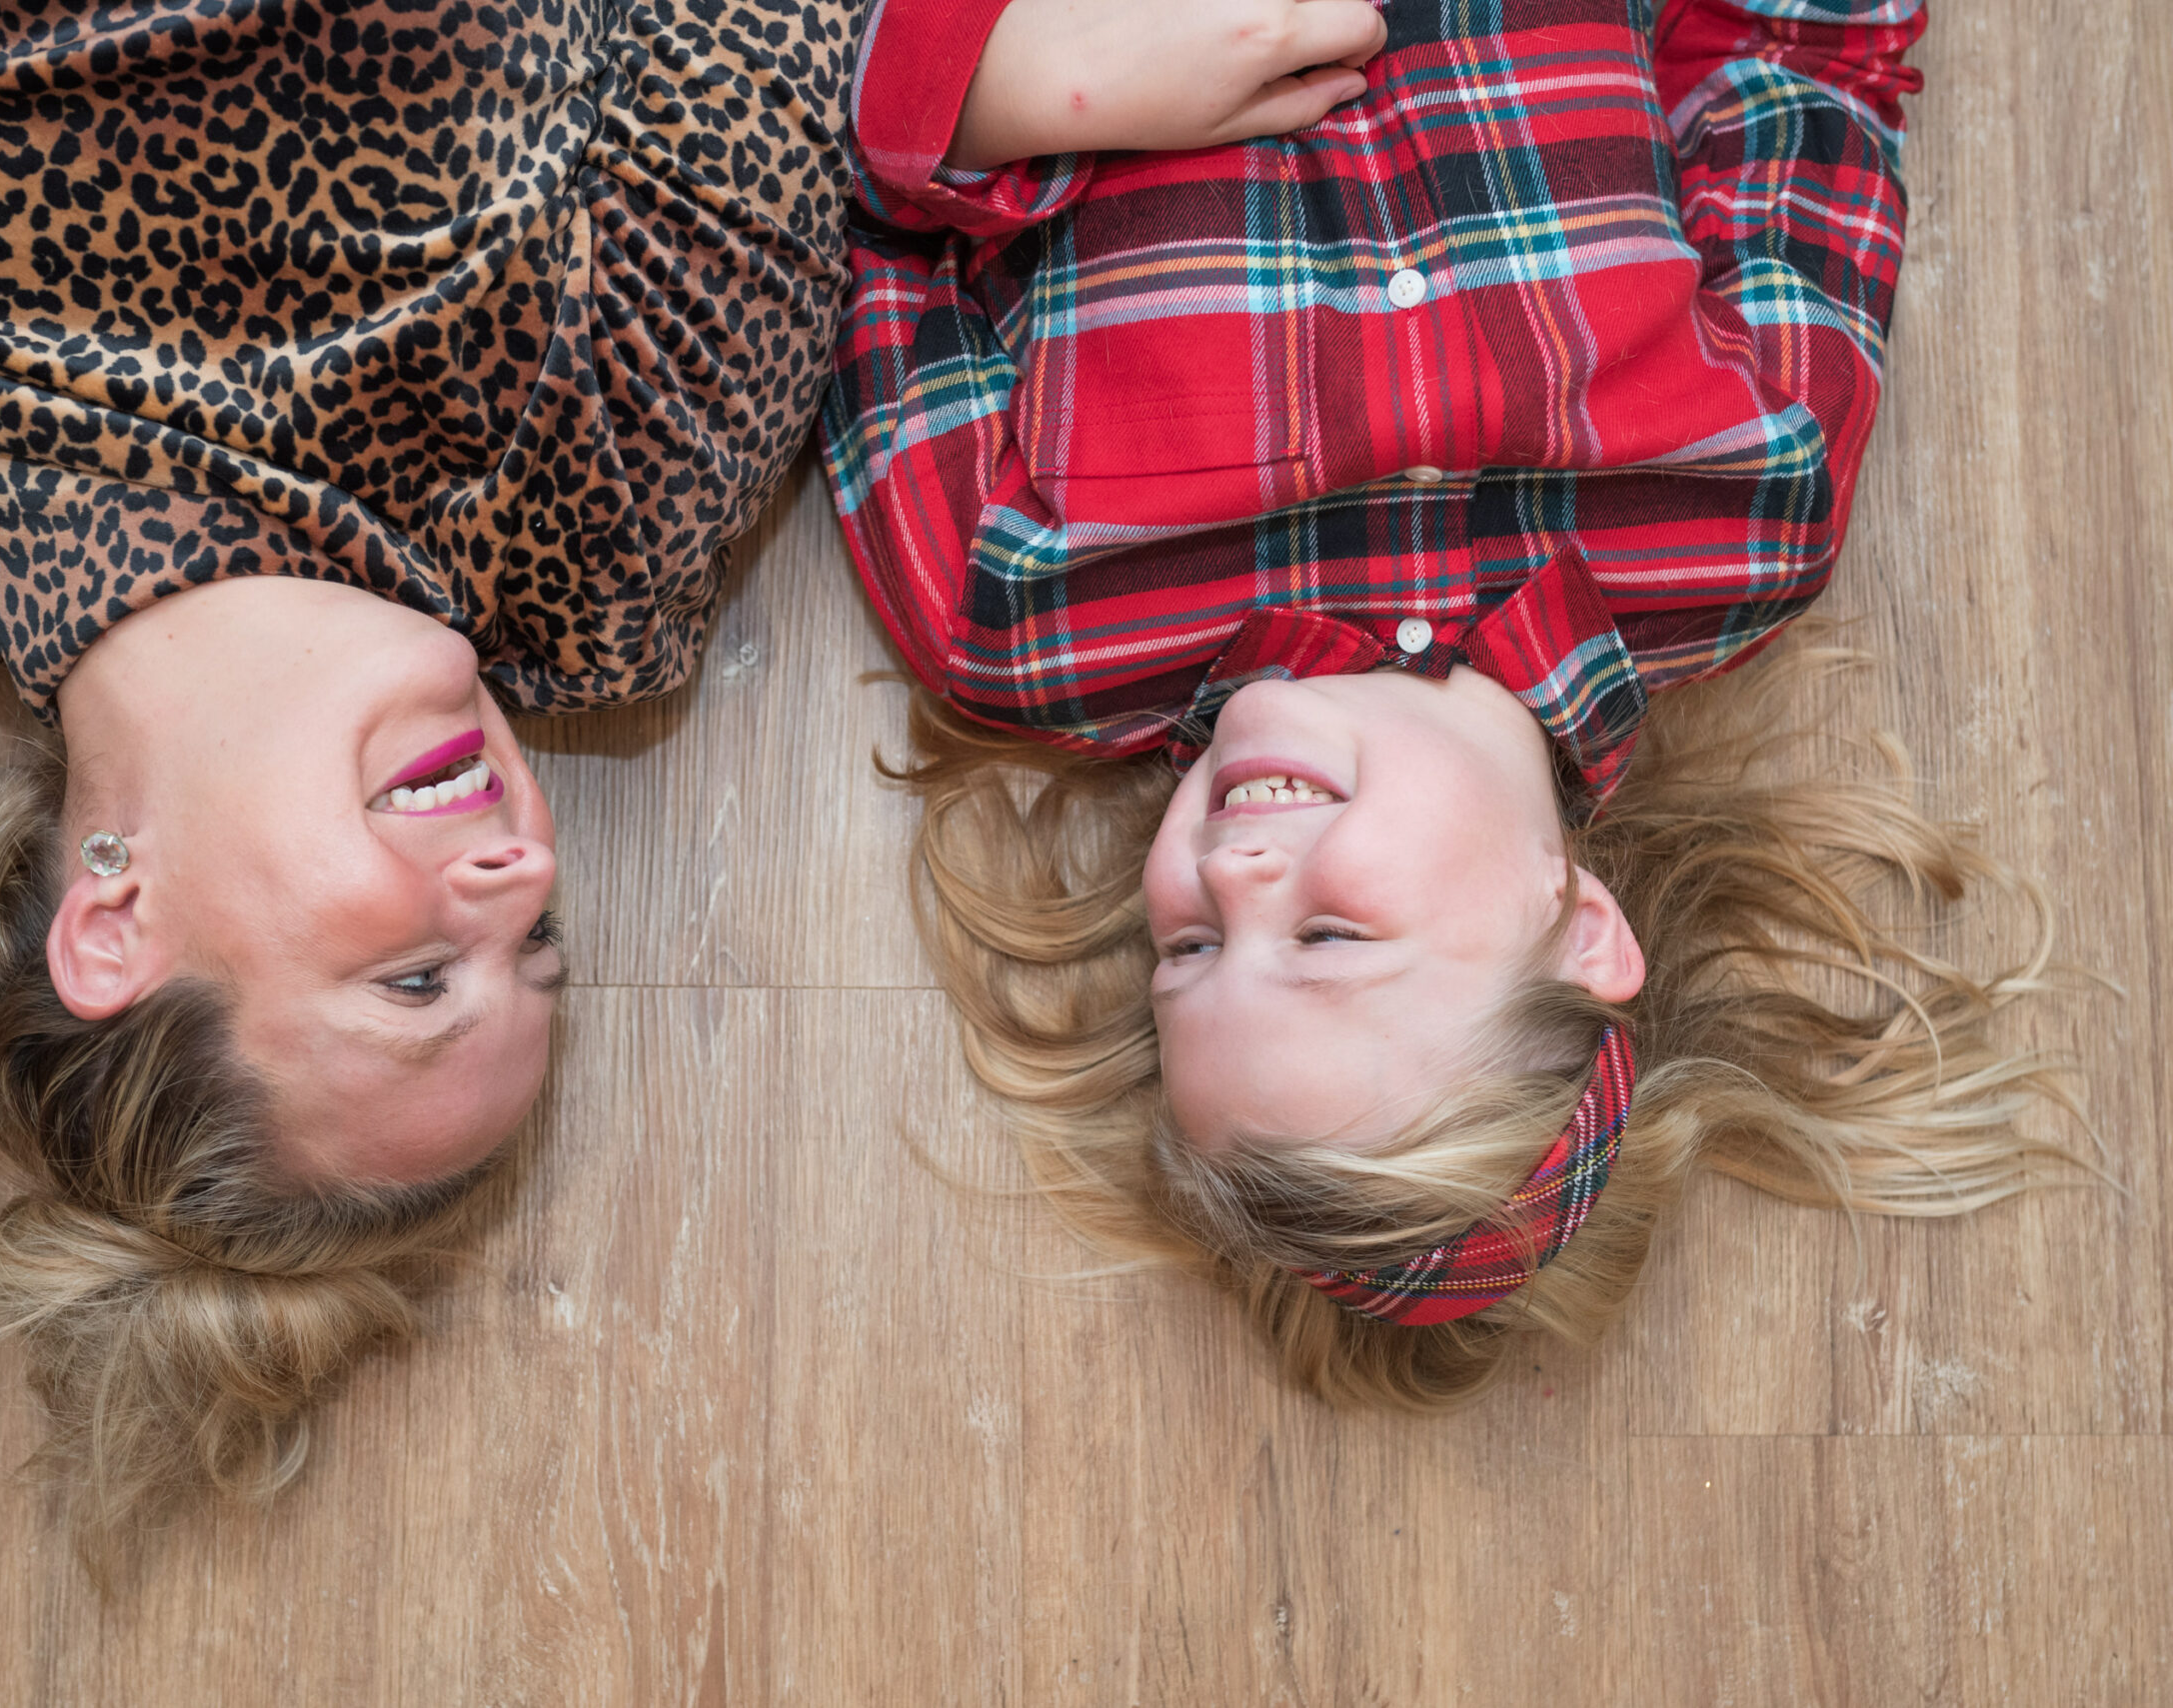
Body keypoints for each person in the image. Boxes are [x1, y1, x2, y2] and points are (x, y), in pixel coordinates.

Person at [0, 0, 857, 1547]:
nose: (525, 875)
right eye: (533, 946)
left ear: (114, 930)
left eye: (415, 978)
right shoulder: (611, 525)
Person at [826, 0, 2086, 1402]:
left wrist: (1003, 98)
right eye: (1326, 932)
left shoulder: (1019, 615)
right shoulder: (1746, 510)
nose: (1232, 874)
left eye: (1186, 951)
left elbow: (816, 192)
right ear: (1580, 924)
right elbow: (1798, 62)